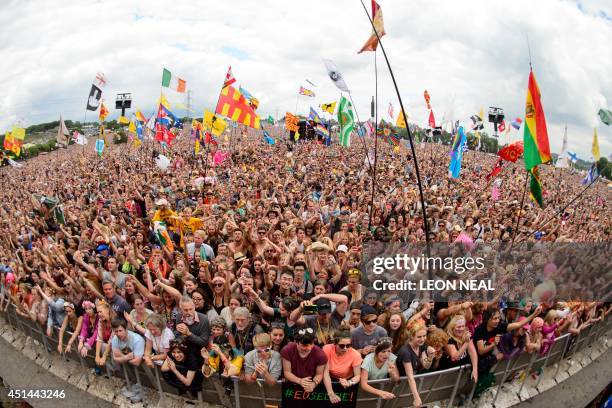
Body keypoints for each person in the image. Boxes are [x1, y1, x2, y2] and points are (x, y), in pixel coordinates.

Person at [396, 322, 436, 408]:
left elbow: (426, 366)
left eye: (424, 336)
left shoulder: (420, 345)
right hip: (398, 384)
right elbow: (410, 377)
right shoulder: (405, 352)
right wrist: (417, 398)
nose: (422, 339)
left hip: (409, 384)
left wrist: (430, 357)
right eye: (419, 337)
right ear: (411, 336)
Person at [280, 328, 327, 393]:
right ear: (296, 342)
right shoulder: (287, 350)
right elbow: (287, 372)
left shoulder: (320, 354)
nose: (308, 348)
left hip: (310, 383)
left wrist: (313, 384)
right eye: (304, 345)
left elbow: (319, 374)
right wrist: (299, 381)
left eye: (311, 344)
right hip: (292, 383)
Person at [322, 329, 362, 404]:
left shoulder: (355, 354)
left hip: (346, 381)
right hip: (329, 380)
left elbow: (357, 376)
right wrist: (331, 393)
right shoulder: (327, 349)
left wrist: (349, 382)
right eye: (342, 346)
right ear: (334, 343)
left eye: (348, 345)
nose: (345, 348)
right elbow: (325, 373)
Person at [174, 296, 210, 364]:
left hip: (198, 352)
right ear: (181, 309)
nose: (189, 312)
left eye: (191, 309)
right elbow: (177, 335)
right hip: (183, 350)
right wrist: (179, 334)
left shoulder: (204, 319)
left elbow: (204, 342)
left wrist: (188, 334)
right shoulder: (179, 316)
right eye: (185, 310)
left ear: (194, 307)